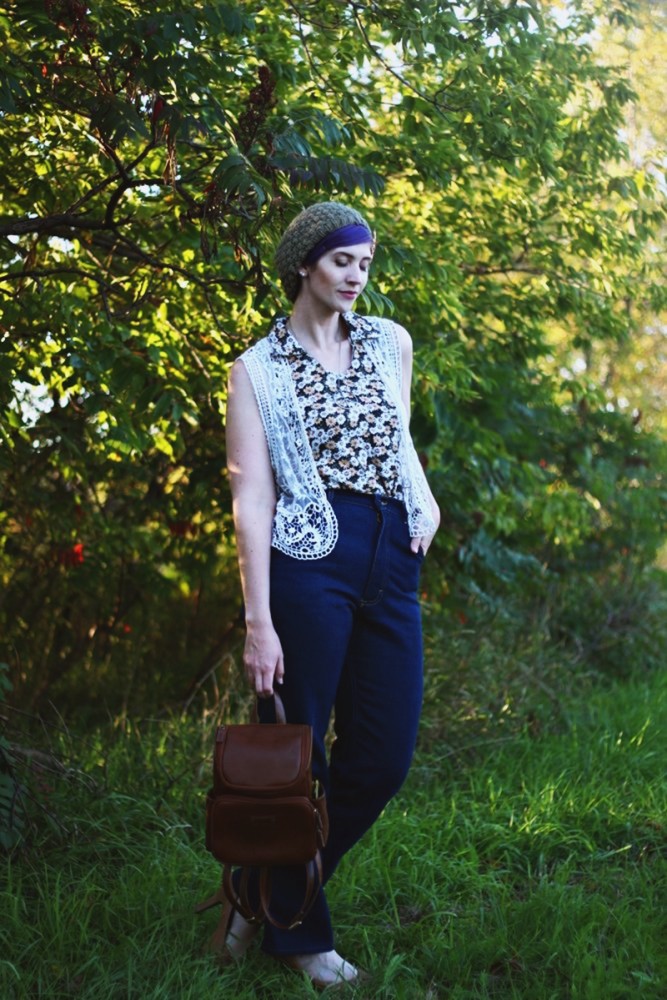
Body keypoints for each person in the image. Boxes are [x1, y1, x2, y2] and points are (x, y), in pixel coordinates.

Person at [223, 200, 440, 988]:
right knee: (297, 752)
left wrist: (425, 498)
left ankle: (260, 890)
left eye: (365, 263)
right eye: (343, 261)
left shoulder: (390, 341)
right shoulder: (257, 369)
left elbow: (398, 434)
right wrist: (258, 622)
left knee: (382, 755)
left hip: (392, 555)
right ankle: (302, 935)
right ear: (305, 264)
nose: (357, 276)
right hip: (307, 558)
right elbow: (250, 496)